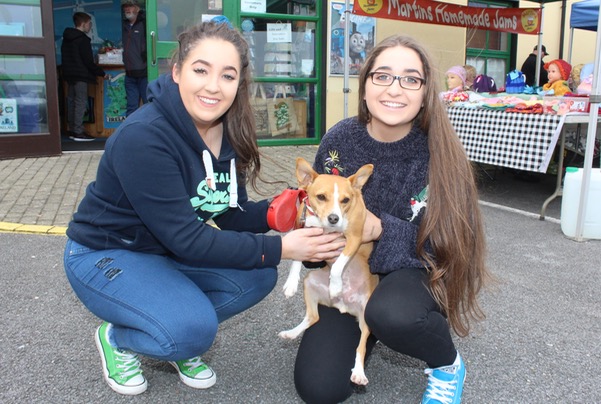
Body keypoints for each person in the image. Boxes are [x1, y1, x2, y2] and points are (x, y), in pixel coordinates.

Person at [63, 20, 344, 396]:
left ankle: (171, 321)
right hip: (107, 254)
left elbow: (228, 214)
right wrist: (283, 247)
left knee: (258, 276)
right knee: (192, 332)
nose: (213, 86)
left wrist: (282, 210)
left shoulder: (229, 132)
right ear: (177, 71)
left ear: (239, 83)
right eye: (200, 70)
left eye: (227, 76)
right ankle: (122, 338)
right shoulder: (144, 137)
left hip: (165, 251)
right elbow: (188, 240)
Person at [293, 34, 490, 404]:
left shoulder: (441, 153)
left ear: (425, 90)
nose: (394, 89)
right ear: (365, 84)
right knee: (319, 388)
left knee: (394, 313)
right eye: (382, 76)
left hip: (412, 275)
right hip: (352, 273)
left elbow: (449, 249)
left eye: (410, 79)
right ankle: (369, 330)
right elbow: (316, 216)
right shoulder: (338, 140)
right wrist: (309, 243)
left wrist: (381, 228)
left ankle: (446, 364)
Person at [61, 12, 108, 141]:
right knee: (80, 102)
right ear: (83, 24)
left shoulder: (67, 38)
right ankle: (78, 131)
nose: (90, 27)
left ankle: (71, 129)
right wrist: (102, 73)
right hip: (81, 75)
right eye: (89, 24)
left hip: (69, 75)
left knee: (71, 101)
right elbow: (88, 62)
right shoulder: (83, 40)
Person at [121, 0, 147, 116]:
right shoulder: (125, 25)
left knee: (149, 106)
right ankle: (130, 133)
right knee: (131, 108)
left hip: (144, 73)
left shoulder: (145, 24)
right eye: (125, 7)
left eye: (130, 6)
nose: (127, 9)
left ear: (137, 8)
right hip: (130, 74)